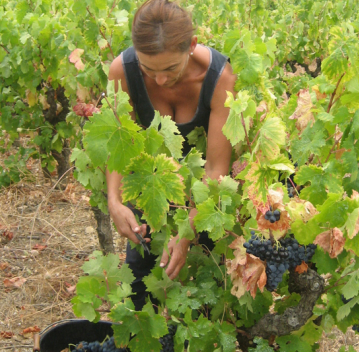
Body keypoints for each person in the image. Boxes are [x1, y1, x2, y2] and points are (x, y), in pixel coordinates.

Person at [107, 0, 236, 310]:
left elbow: (217, 165)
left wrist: (188, 228)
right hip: (151, 190)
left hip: (204, 197)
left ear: (191, 45)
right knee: (139, 291)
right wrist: (114, 200)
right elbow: (119, 142)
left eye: (169, 68)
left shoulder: (219, 78)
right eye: (148, 69)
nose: (160, 79)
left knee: (209, 297)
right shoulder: (121, 71)